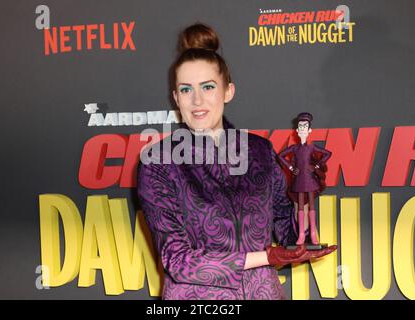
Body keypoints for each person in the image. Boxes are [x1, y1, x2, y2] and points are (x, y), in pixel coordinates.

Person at [137, 23, 336, 300]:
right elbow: (178, 261)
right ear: (175, 98)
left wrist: (306, 194)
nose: (197, 100)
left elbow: (290, 235)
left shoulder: (260, 152)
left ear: (228, 91)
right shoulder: (159, 163)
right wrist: (265, 257)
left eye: (208, 87)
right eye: (185, 90)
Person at [278, 112, 332, 245]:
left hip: (310, 180)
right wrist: (291, 168)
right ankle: (301, 234)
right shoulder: (294, 148)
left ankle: (313, 233)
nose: (302, 129)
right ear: (297, 130)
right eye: (300, 126)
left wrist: (317, 165)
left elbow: (328, 153)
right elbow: (280, 156)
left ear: (309, 130)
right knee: (301, 207)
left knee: (311, 207)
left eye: (305, 126)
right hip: (299, 180)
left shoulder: (312, 147)